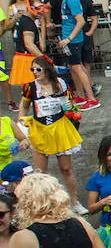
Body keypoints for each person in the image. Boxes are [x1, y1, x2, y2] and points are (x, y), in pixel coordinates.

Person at [21, 55, 84, 208]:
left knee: (66, 168)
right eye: (32, 69)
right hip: (40, 130)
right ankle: (43, 206)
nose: (34, 72)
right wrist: (22, 128)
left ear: (47, 70)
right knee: (40, 172)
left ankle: (74, 202)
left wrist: (70, 108)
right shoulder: (30, 87)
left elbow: (71, 104)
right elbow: (24, 107)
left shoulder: (60, 85)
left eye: (38, 69)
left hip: (59, 129)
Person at [60, 0, 99, 109]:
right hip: (68, 38)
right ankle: (81, 96)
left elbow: (81, 21)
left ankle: (91, 99)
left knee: (78, 67)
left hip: (73, 40)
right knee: (73, 67)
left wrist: (69, 38)